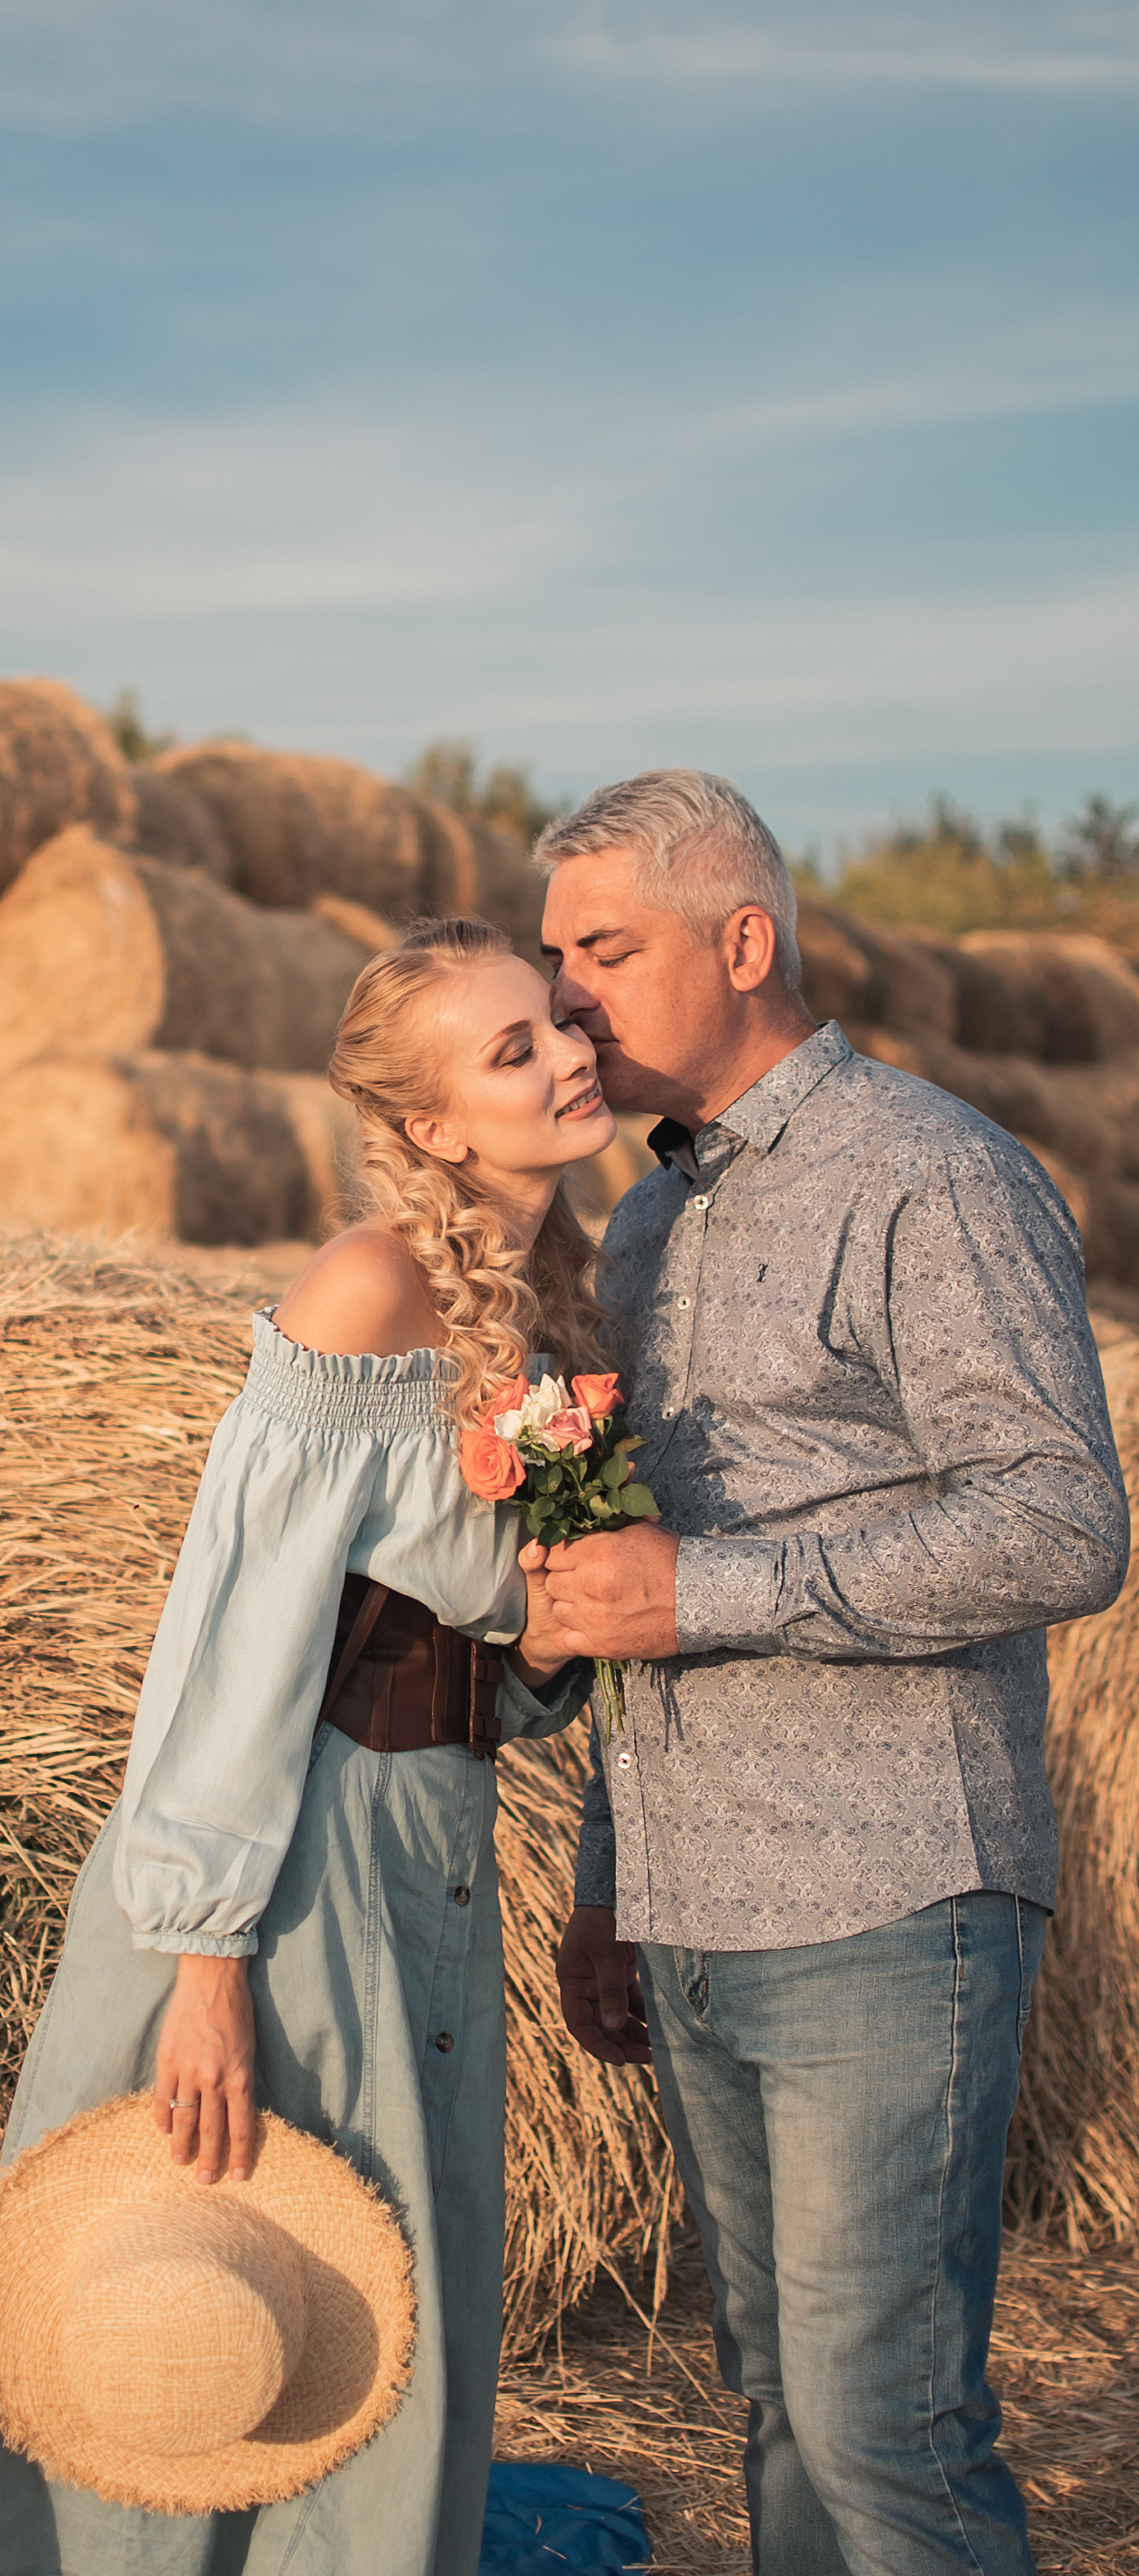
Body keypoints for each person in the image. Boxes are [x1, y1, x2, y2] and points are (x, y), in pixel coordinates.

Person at [0, 917, 616, 2576]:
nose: (566, 1054)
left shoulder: (563, 1295)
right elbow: (232, 1644)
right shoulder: (364, 1289)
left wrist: (566, 1628)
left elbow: (520, 1634)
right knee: (194, 2293)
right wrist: (202, 1955)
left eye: (559, 1020)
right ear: (430, 1127)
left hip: (435, 1845)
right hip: (289, 1861)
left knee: (384, 2296)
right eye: (512, 1049)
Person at [534, 769, 1129, 2576]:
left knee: (889, 2436)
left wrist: (709, 1586)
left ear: (745, 939)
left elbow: (1062, 1521)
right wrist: (609, 1878)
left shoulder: (930, 1171)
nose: (567, 999)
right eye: (554, 959)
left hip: (888, 1892)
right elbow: (631, 1582)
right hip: (700, 1905)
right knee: (781, 2407)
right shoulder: (645, 1224)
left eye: (605, 951)